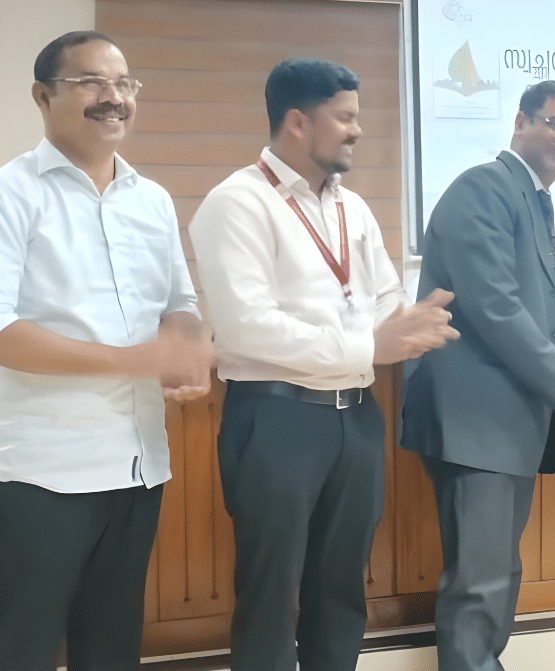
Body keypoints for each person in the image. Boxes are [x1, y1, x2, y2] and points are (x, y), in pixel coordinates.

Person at [188, 57, 458, 671]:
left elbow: (385, 296)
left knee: (341, 590)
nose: (358, 130)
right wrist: (370, 346)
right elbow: (245, 326)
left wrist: (408, 323)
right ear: (296, 123)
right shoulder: (237, 202)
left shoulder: (351, 207)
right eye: (345, 117)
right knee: (271, 593)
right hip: (276, 417)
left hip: (356, 418)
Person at [0, 30, 213, 668]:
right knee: (24, 645)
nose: (112, 97)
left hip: (139, 463)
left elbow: (181, 303)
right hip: (44, 469)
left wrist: (187, 352)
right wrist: (134, 361)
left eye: (124, 84)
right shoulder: (13, 192)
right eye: (92, 82)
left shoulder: (151, 200)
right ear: (43, 94)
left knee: (112, 647)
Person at [401, 80, 555, 671]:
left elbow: (533, 298)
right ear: (521, 122)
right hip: (476, 420)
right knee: (479, 584)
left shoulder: (532, 198)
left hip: (504, 422)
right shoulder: (484, 187)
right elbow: (494, 305)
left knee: (495, 576)